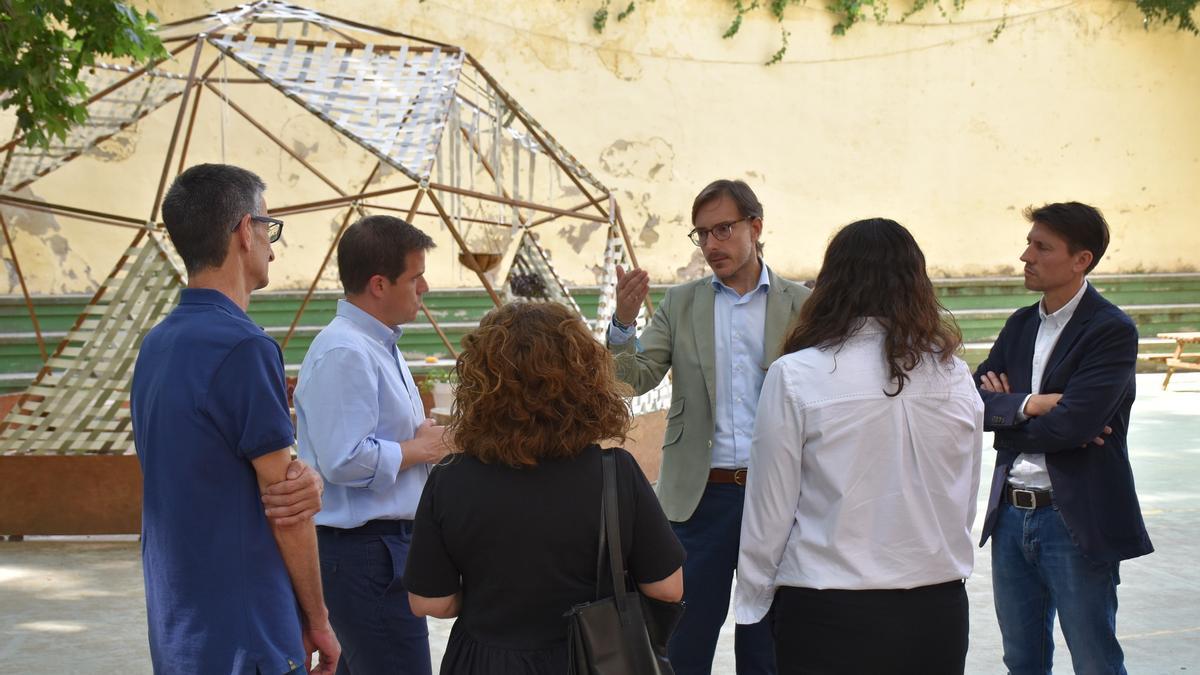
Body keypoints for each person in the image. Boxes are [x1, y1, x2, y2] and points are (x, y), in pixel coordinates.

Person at [735, 217, 983, 673]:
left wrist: (752, 601)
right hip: (937, 608)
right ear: (916, 283)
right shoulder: (955, 375)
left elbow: (769, 512)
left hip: (829, 609)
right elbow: (963, 498)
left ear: (832, 284)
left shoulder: (796, 375)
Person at [131, 163, 339, 674]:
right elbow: (286, 507)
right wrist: (318, 618)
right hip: (248, 630)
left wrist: (301, 474)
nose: (272, 243)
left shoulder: (157, 344)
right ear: (246, 231)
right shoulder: (244, 347)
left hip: (180, 622)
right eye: (269, 227)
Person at [404, 301, 685, 674]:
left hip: (484, 660)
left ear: (481, 382)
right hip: (592, 659)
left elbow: (430, 602)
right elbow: (668, 589)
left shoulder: (450, 477)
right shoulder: (615, 473)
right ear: (585, 379)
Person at [607, 179, 808, 674]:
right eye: (701, 234)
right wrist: (623, 324)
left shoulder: (802, 304)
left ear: (755, 227)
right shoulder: (681, 304)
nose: (712, 244)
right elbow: (631, 381)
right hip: (699, 500)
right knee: (683, 640)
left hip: (780, 496)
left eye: (723, 229)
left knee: (770, 643)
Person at [974, 202, 1154, 674]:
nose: (1025, 256)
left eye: (1041, 247)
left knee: (1094, 658)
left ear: (1082, 260)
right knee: (1021, 660)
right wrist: (1030, 405)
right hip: (1011, 516)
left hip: (1072, 519)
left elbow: (1073, 424)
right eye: (1029, 243)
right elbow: (973, 401)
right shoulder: (1020, 324)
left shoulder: (1110, 329)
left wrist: (1009, 412)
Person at [294, 215, 452, 674]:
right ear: (379, 285)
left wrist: (425, 440)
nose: (424, 287)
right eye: (415, 276)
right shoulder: (346, 351)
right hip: (364, 550)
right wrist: (420, 449)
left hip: (385, 546)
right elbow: (344, 459)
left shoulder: (380, 344)